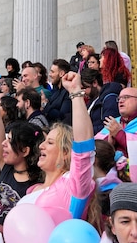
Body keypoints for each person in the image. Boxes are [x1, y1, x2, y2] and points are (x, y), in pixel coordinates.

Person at [16, 70, 96, 223]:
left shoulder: (73, 185)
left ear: (66, 152)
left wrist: (75, 93)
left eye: (50, 142)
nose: (41, 147)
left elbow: (84, 147)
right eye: (44, 141)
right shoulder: (33, 189)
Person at [0, 62, 45, 228]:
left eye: (10, 141)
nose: (3, 143)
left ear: (24, 150)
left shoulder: (38, 185)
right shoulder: (5, 167)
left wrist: (4, 230)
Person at [96, 87, 137, 187]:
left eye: (125, 97)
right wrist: (109, 144)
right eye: (119, 98)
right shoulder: (114, 122)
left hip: (133, 183)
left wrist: (119, 134)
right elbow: (95, 147)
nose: (120, 101)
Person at [80, 67, 121, 134]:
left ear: (95, 83)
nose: (83, 92)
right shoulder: (92, 101)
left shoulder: (110, 99)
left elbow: (109, 126)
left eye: (84, 88)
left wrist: (84, 131)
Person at [43, 59, 72, 124]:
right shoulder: (55, 90)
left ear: (61, 73)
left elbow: (62, 116)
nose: (50, 75)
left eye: (52, 72)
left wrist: (45, 105)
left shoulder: (68, 92)